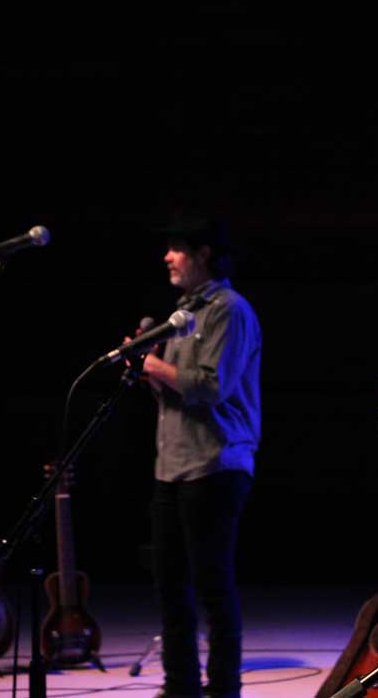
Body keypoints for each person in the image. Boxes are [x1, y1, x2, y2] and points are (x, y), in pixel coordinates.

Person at [139, 218, 262, 698]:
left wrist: (153, 363)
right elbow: (174, 393)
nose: (167, 258)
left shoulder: (228, 311)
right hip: (171, 466)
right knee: (169, 585)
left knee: (212, 586)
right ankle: (180, 686)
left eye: (176, 249)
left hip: (215, 465)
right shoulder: (182, 313)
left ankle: (223, 689)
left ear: (204, 253)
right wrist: (147, 372)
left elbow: (212, 387)